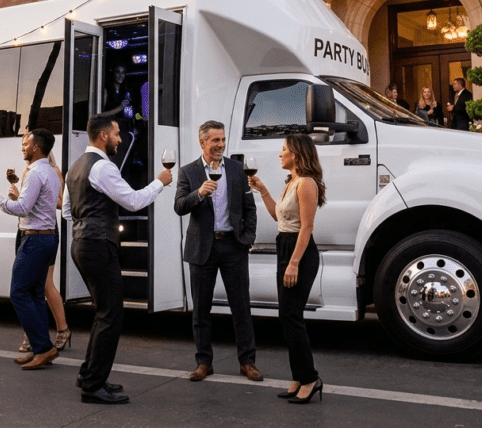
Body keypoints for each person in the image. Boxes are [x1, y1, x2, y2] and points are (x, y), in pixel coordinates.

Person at [63, 114, 172, 404]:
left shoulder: (75, 167)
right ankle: (93, 385)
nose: (121, 139)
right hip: (99, 245)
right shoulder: (103, 168)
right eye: (117, 134)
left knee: (103, 312)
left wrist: (88, 217)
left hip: (81, 243)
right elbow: (134, 201)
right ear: (102, 137)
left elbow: (66, 211)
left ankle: (89, 375)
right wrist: (159, 182)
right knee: (112, 315)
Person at [173, 120, 262, 383]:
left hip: (233, 246)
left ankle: (247, 362)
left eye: (223, 140)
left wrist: (246, 239)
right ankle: (204, 362)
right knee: (201, 310)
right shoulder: (188, 172)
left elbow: (250, 208)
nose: (221, 145)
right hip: (202, 247)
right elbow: (179, 205)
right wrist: (198, 193)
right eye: (215, 140)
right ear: (203, 143)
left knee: (241, 308)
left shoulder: (236, 169)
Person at [248, 135, 325, 405]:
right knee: (286, 316)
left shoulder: (306, 184)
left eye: (283, 150)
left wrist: (293, 263)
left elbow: (306, 227)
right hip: (285, 246)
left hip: (299, 252)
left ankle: (309, 379)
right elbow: (278, 217)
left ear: (296, 153)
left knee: (292, 316)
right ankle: (298, 376)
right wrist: (263, 191)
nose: (280, 154)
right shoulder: (291, 182)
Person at [0, 129, 62, 370]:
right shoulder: (50, 172)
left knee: (19, 292)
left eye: (26, 144)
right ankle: (44, 348)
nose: (23, 147)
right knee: (35, 294)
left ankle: (42, 348)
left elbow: (22, 208)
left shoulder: (34, 172)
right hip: (48, 238)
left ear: (36, 147)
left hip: (35, 241)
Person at [17, 149, 71, 354]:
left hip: (44, 229)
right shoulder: (27, 171)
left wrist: (34, 198)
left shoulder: (52, 171)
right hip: (24, 229)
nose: (24, 148)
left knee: (45, 284)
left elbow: (61, 203)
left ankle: (62, 330)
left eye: (27, 144)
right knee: (30, 286)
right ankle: (34, 335)